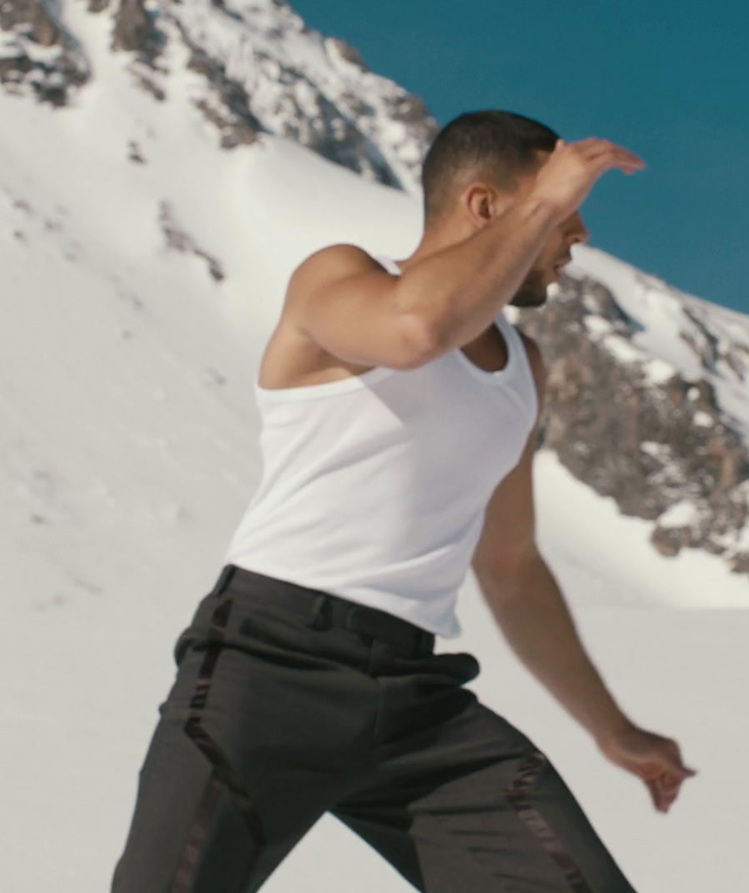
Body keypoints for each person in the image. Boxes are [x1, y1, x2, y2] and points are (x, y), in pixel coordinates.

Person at [112, 111, 693, 893]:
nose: (578, 231)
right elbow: (417, 328)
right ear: (488, 207)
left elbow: (511, 565)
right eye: (562, 207)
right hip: (267, 664)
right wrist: (542, 204)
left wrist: (611, 727)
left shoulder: (523, 365)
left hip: (415, 699)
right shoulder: (339, 278)